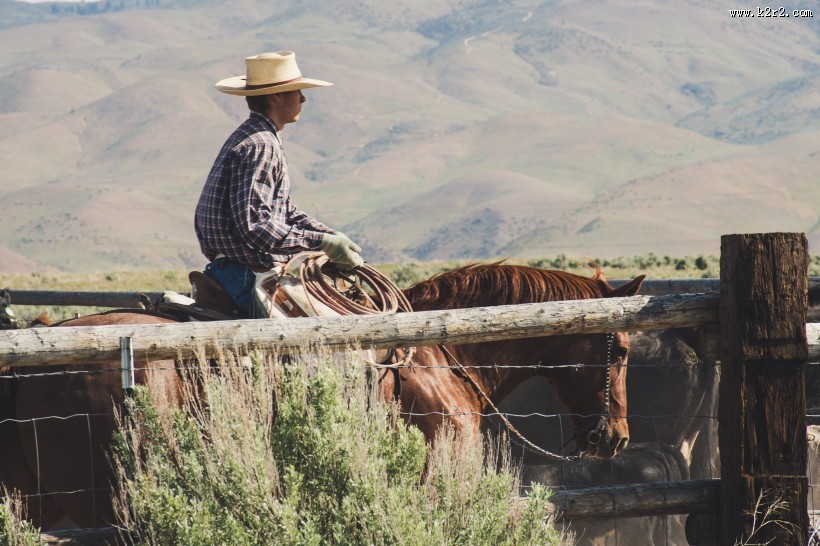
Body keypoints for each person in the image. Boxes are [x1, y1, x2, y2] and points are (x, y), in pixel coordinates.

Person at [195, 51, 363, 317]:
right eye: (297, 91)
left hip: (236, 270)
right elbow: (255, 225)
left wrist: (330, 236)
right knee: (321, 336)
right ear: (276, 96)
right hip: (246, 273)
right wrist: (322, 243)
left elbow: (283, 210)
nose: (303, 98)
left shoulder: (254, 137)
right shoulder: (261, 144)